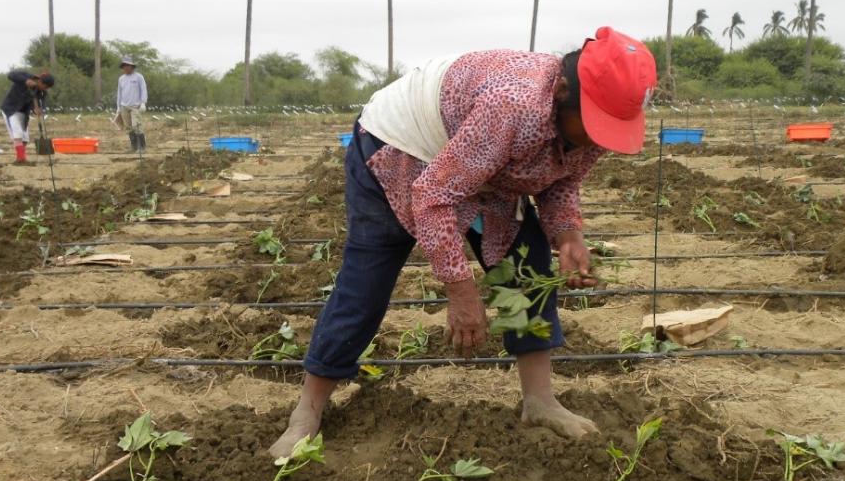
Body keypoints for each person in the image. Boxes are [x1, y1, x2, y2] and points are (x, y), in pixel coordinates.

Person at [268, 27, 657, 457]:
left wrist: (568, 235)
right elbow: (433, 196)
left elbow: (561, 181)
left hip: (480, 160)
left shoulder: (592, 123)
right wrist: (461, 290)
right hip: (401, 145)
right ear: (564, 92)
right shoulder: (513, 106)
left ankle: (539, 400)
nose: (596, 138)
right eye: (593, 123)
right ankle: (307, 411)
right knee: (367, 282)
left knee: (527, 272)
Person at [0, 70, 54, 164]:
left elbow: (41, 103)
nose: (45, 89)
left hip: (24, 113)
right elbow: (11, 75)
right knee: (18, 134)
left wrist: (39, 109)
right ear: (40, 81)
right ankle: (21, 159)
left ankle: (21, 158)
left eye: (47, 88)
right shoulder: (26, 76)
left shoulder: (42, 92)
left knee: (25, 138)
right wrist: (26, 81)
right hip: (11, 109)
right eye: (45, 86)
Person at [116, 55, 148, 153]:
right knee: (128, 127)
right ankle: (133, 147)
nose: (125, 67)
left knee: (136, 126)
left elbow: (143, 90)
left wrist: (143, 102)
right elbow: (119, 93)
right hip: (124, 106)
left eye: (127, 65)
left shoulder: (139, 77)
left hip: (136, 106)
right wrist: (118, 107)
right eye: (124, 66)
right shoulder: (121, 79)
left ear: (132, 66)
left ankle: (142, 147)